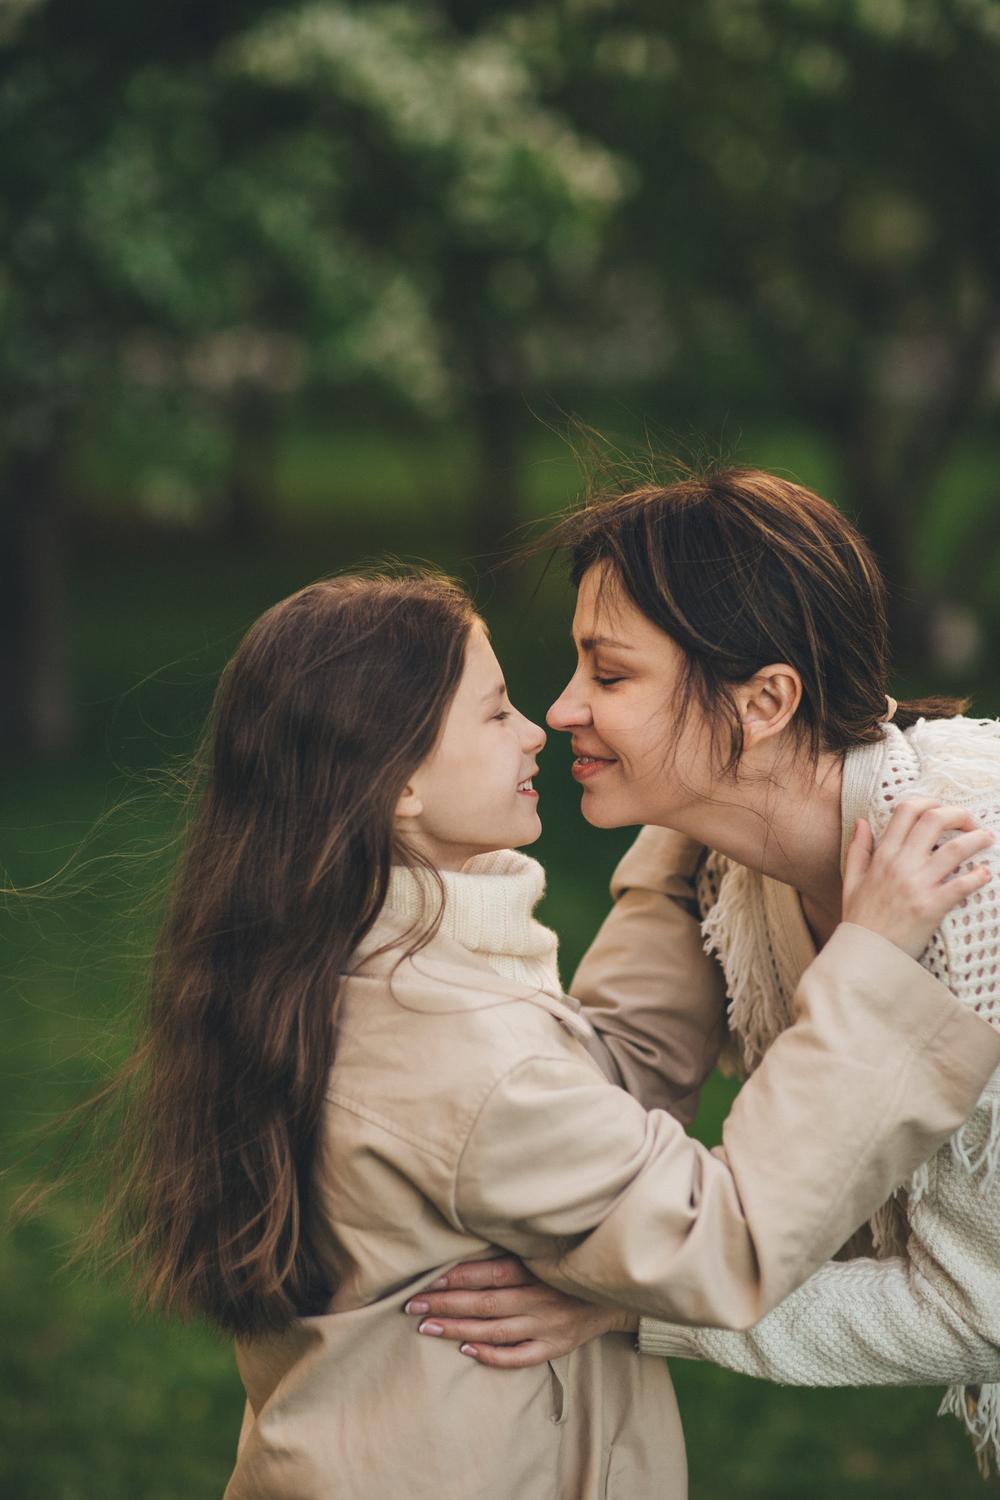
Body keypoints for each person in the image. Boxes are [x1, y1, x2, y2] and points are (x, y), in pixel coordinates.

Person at [99, 568, 997, 1500]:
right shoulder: (446, 1043)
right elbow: (720, 1238)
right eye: (495, 714)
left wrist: (694, 806)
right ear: (399, 782)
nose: (541, 724)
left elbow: (603, 1082)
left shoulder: (369, 957)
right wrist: (875, 963)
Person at [403, 469, 1000, 1476]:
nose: (561, 710)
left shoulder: (969, 887)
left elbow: (974, 1307)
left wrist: (635, 1302)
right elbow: (623, 1078)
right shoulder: (740, 864)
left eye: (610, 674)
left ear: (766, 700)